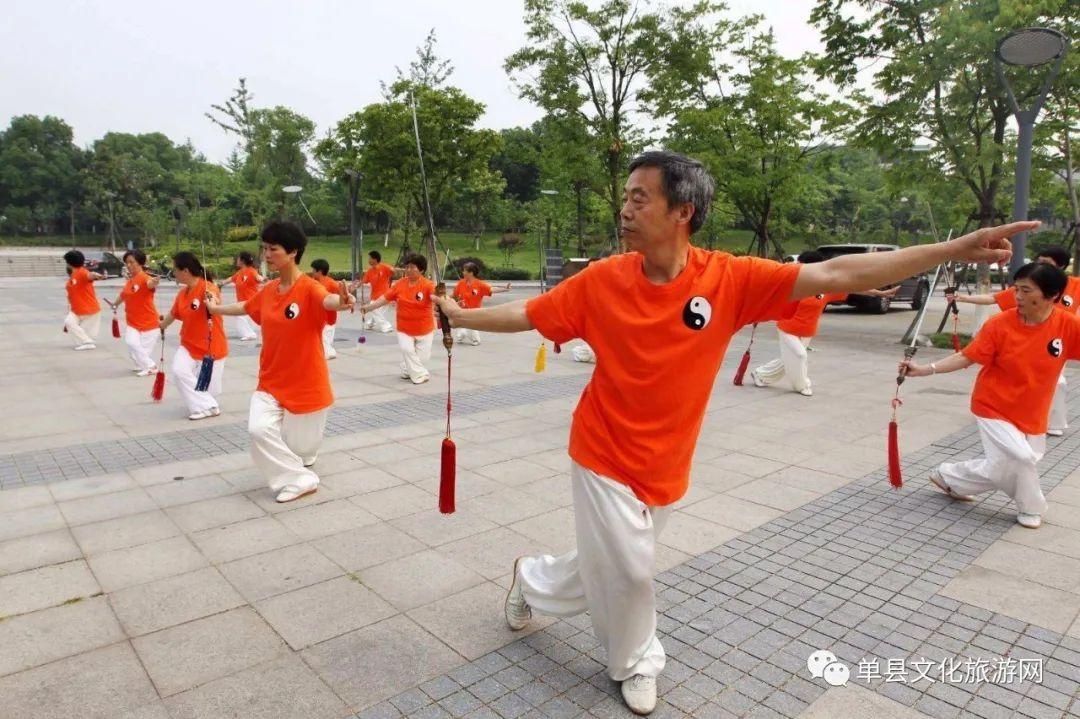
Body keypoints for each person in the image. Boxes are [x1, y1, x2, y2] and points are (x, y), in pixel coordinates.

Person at [432, 150, 1034, 716]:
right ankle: (637, 660)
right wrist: (462, 316)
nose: (625, 209)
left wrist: (951, 247)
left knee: (607, 563)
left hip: (668, 458)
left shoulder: (729, 278)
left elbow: (836, 270)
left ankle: (532, 580)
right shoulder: (602, 281)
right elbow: (530, 315)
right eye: (625, 198)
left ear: (682, 212)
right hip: (601, 449)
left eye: (640, 199)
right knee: (633, 570)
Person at [901, 262, 1080, 530]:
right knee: (1021, 458)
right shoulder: (1000, 324)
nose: (1017, 296)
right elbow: (966, 357)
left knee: (1003, 467)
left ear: (1052, 295)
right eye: (1016, 289)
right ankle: (1032, 507)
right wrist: (925, 370)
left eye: (1025, 290)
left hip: (1033, 411)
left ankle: (949, 477)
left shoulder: (1067, 326)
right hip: (994, 405)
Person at [208, 221, 354, 503]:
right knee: (258, 429)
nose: (266, 255)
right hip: (271, 381)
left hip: (306, 385)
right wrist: (215, 309)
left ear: (293, 252)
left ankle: (299, 466)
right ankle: (300, 479)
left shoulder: (309, 288)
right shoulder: (270, 289)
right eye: (264, 249)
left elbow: (327, 301)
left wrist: (342, 301)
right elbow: (246, 306)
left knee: (301, 450)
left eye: (273, 249)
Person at [948, 246, 1080, 436]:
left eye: (1046, 263)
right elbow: (993, 298)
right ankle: (1007, 417)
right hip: (1030, 343)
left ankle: (1054, 423)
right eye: (1039, 261)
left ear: (1060, 266)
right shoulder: (1027, 290)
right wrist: (964, 298)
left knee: (1058, 383)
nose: (1040, 266)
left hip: (1059, 342)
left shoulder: (1074, 287)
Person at [750, 250, 898, 396]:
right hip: (787, 328)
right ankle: (802, 385)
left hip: (807, 331)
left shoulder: (826, 288)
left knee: (789, 359)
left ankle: (760, 374)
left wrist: (880, 293)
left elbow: (853, 287)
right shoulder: (793, 284)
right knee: (800, 356)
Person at [159, 252, 228, 420]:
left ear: (186, 271)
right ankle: (208, 407)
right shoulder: (182, 294)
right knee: (179, 371)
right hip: (188, 345)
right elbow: (173, 314)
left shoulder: (207, 287)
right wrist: (161, 326)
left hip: (211, 348)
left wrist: (211, 301)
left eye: (175, 270)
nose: (173, 273)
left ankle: (205, 406)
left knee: (211, 391)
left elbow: (214, 299)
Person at [361, 253, 436, 384]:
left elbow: (436, 298)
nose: (408, 270)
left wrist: (443, 304)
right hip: (404, 327)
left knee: (422, 358)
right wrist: (369, 307)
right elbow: (385, 298)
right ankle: (420, 375)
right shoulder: (400, 284)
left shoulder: (428, 285)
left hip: (424, 328)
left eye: (413, 267)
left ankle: (408, 370)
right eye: (407, 267)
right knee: (407, 350)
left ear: (421, 270)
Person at [105, 249, 161, 375]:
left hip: (148, 323)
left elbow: (150, 284)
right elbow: (124, 295)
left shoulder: (145, 278)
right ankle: (144, 364)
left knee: (139, 349)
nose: (129, 265)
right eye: (127, 262)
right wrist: (115, 304)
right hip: (132, 321)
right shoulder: (130, 280)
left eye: (132, 262)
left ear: (140, 263)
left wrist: (154, 282)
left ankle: (151, 367)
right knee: (132, 345)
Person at [451, 262, 510, 345]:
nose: (463, 272)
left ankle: (476, 340)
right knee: (462, 332)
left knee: (472, 327)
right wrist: (444, 298)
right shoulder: (461, 283)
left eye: (464, 271)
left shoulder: (479, 284)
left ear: (471, 273)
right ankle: (461, 336)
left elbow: (491, 289)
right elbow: (454, 295)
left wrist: (505, 289)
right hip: (462, 311)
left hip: (474, 312)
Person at [62, 250, 105, 350]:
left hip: (89, 309)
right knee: (69, 322)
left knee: (87, 333)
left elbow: (89, 275)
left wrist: (95, 275)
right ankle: (87, 341)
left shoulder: (82, 272)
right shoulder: (73, 275)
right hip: (76, 309)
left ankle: (87, 342)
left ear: (69, 263)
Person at [218, 251, 263, 341]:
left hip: (251, 301)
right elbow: (231, 279)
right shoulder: (240, 273)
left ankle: (249, 334)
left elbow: (258, 277)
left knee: (239, 316)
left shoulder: (251, 271)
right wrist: (220, 284)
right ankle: (248, 332)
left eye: (238, 258)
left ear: (242, 261)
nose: (237, 260)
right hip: (242, 301)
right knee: (245, 318)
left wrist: (261, 279)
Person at [356, 250, 398, 333]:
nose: (368, 260)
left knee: (374, 310)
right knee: (377, 312)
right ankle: (370, 323)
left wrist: (394, 270)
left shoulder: (384, 267)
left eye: (370, 258)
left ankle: (386, 326)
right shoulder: (369, 271)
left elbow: (393, 272)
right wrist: (356, 285)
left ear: (375, 259)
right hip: (374, 297)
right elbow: (363, 281)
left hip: (385, 296)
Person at [310, 259, 341, 359]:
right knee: (323, 340)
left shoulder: (331, 283)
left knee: (325, 340)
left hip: (329, 318)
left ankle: (329, 353)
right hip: (318, 317)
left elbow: (342, 297)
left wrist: (348, 304)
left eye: (313, 270)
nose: (312, 272)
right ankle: (326, 353)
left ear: (319, 271)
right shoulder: (314, 282)